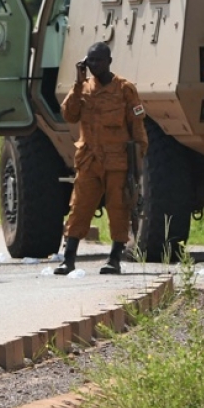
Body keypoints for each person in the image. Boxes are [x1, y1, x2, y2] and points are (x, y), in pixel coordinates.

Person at [55, 42, 149, 276]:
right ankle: (68, 259)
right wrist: (78, 82)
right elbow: (68, 114)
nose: (94, 65)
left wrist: (138, 161)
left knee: (119, 209)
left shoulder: (125, 89)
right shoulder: (83, 89)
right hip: (89, 160)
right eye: (90, 61)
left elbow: (137, 127)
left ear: (109, 61)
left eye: (98, 60)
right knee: (79, 207)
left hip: (118, 162)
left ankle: (114, 258)